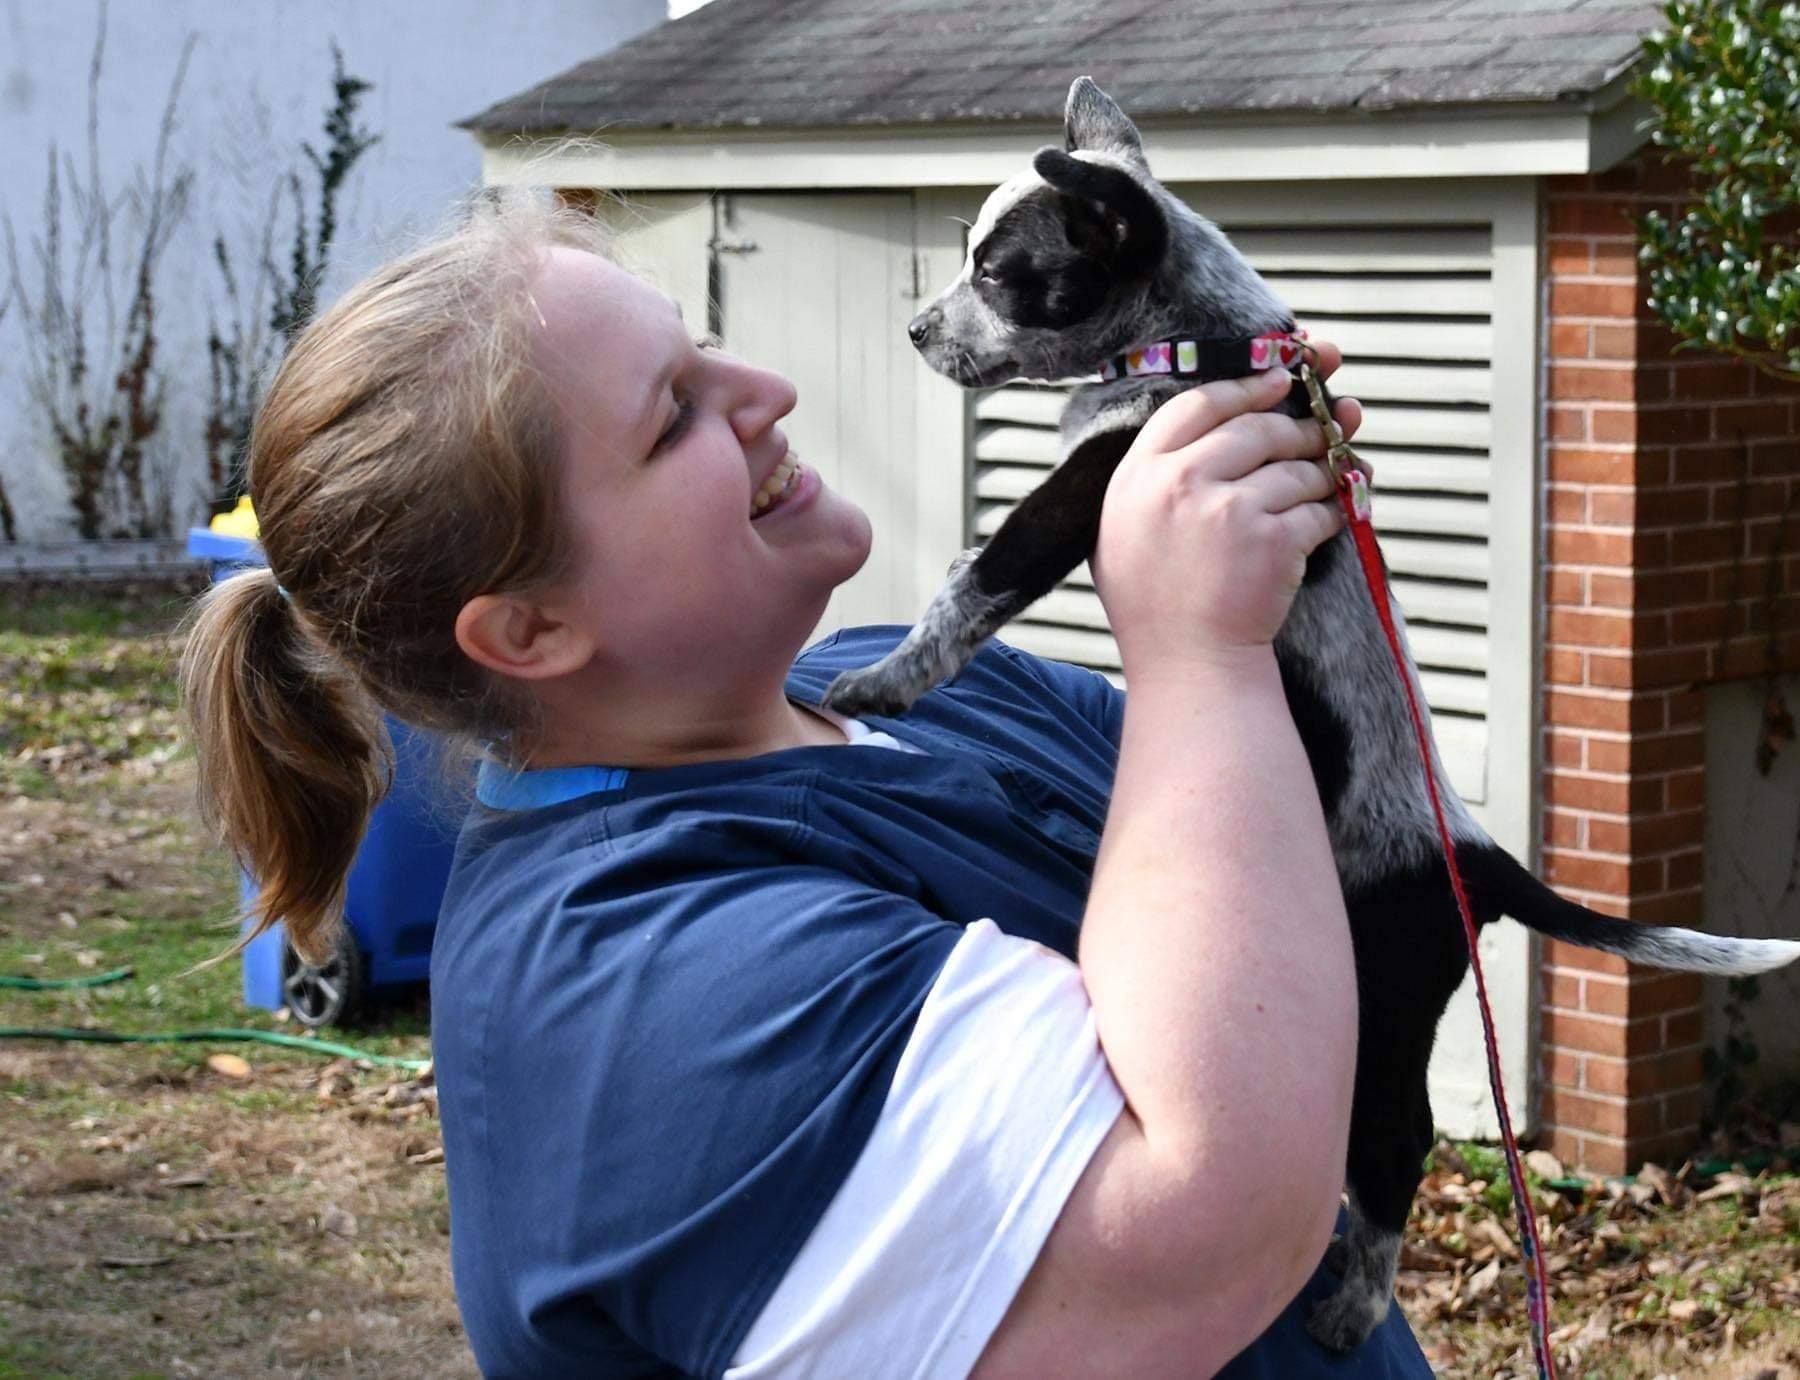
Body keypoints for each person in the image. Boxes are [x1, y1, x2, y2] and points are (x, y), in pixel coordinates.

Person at [180, 192, 1434, 1379]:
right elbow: (1212, 1234)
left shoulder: (911, 690)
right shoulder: (639, 992)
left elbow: (1312, 862)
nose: (767, 393)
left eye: (705, 348)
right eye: (674, 415)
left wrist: (1275, 559)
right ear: (526, 632)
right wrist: (1200, 654)